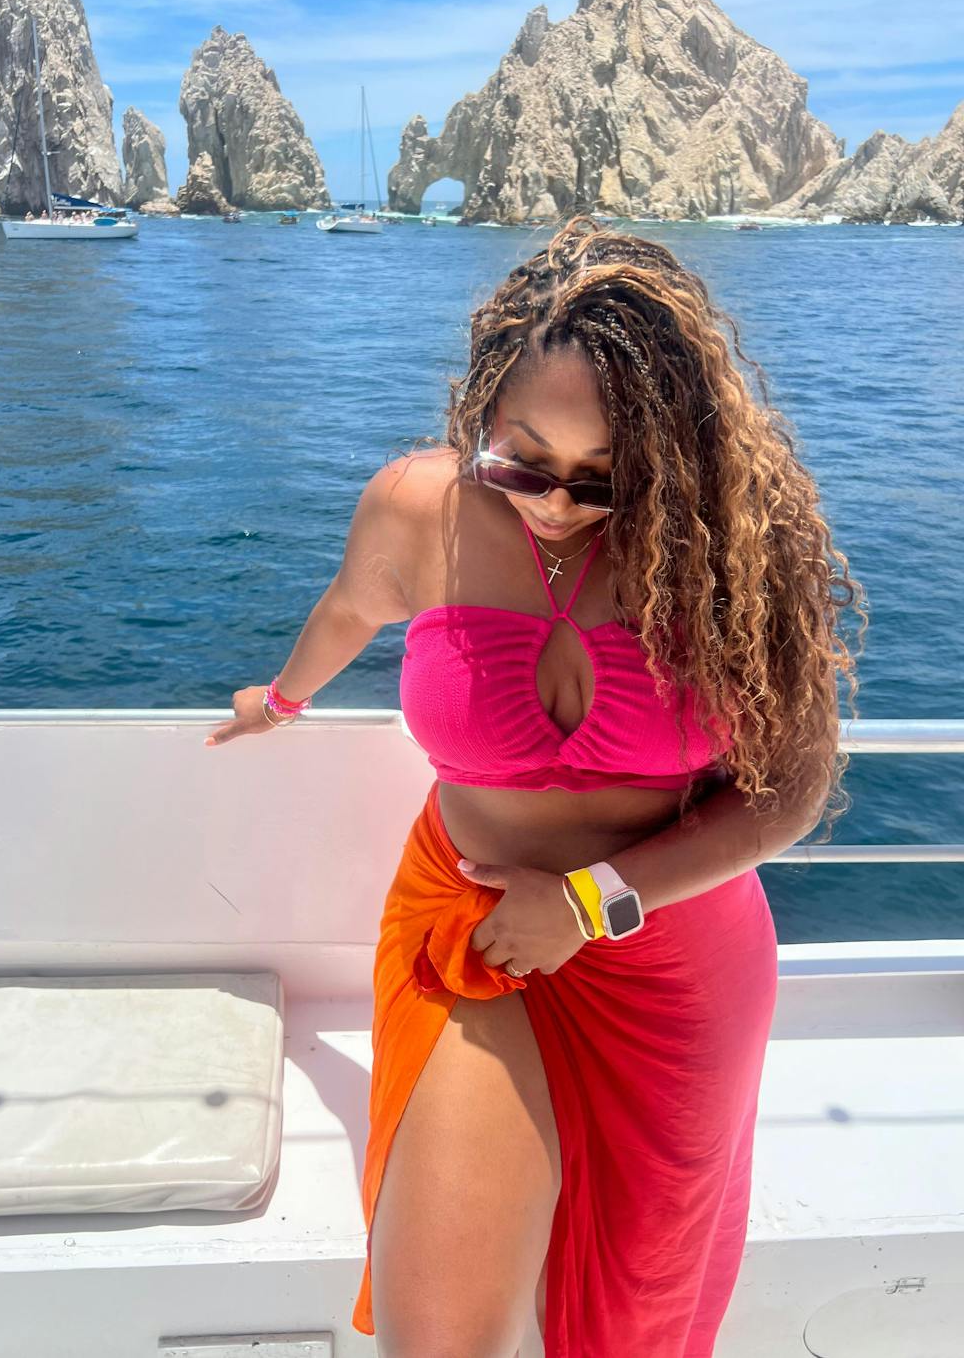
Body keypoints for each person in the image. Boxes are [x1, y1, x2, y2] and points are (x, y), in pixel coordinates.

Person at [203, 217, 866, 1357]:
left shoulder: (729, 550)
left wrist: (588, 902)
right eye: (520, 462)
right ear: (480, 418)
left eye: (606, 478)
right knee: (441, 1338)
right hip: (473, 927)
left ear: (672, 455)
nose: (555, 505)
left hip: (666, 952)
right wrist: (283, 699)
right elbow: (350, 609)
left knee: (631, 1319)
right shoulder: (417, 509)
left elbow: (791, 794)